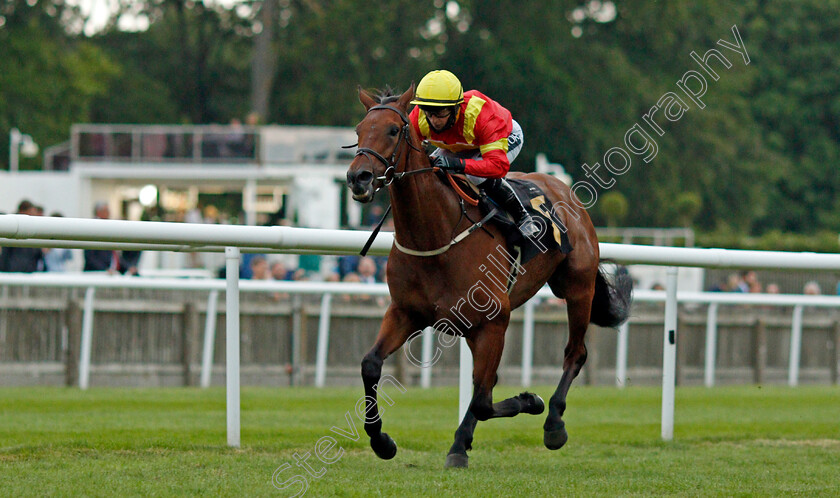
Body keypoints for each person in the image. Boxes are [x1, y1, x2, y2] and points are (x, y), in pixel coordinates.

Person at [408, 69, 537, 236]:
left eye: (439, 113)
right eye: (428, 112)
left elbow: (497, 167)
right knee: (429, 171)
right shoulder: (418, 118)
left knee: (476, 176)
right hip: (461, 145)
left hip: (504, 136)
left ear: (455, 108)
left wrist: (457, 164)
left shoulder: (481, 116)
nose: (433, 120)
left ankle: (523, 217)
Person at [0, 199, 45, 272]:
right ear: (22, 212)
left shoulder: (30, 229)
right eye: (30, 214)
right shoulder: (12, 228)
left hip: (26, 273)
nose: (33, 218)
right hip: (14, 273)